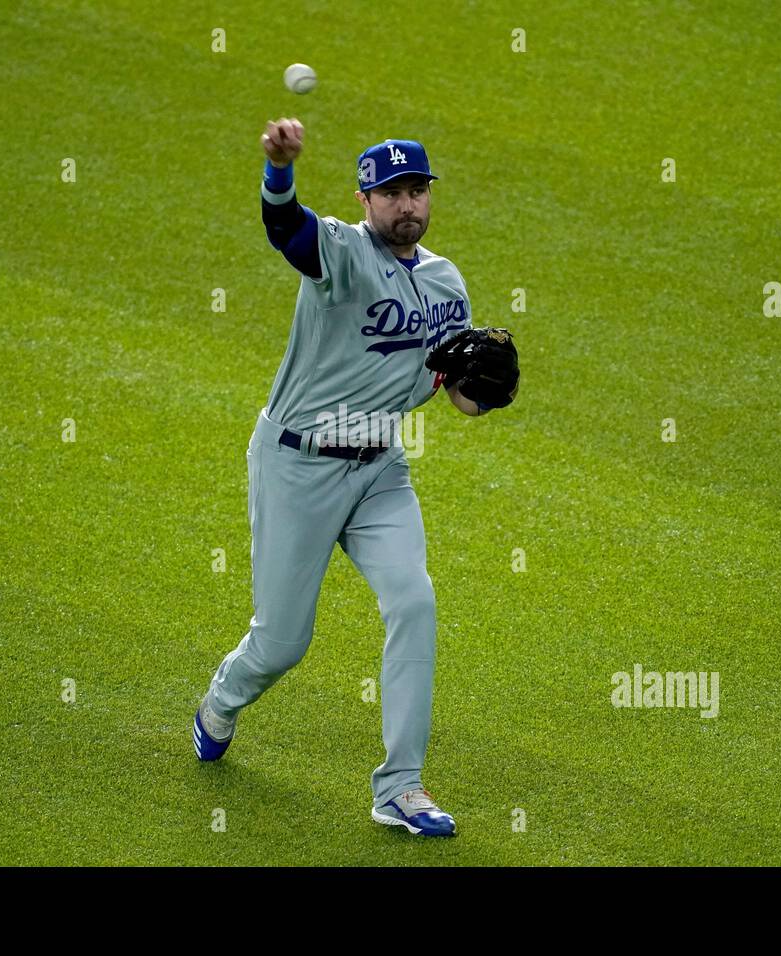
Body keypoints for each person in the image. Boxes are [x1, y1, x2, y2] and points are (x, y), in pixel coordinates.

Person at [193, 117, 487, 837]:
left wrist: (483, 391)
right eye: (391, 193)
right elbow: (285, 230)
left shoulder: (448, 283)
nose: (406, 205)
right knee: (283, 642)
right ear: (364, 199)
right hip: (297, 463)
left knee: (414, 602)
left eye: (416, 190)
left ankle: (401, 786)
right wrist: (279, 169)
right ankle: (222, 702)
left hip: (380, 468)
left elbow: (461, 395)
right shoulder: (340, 253)